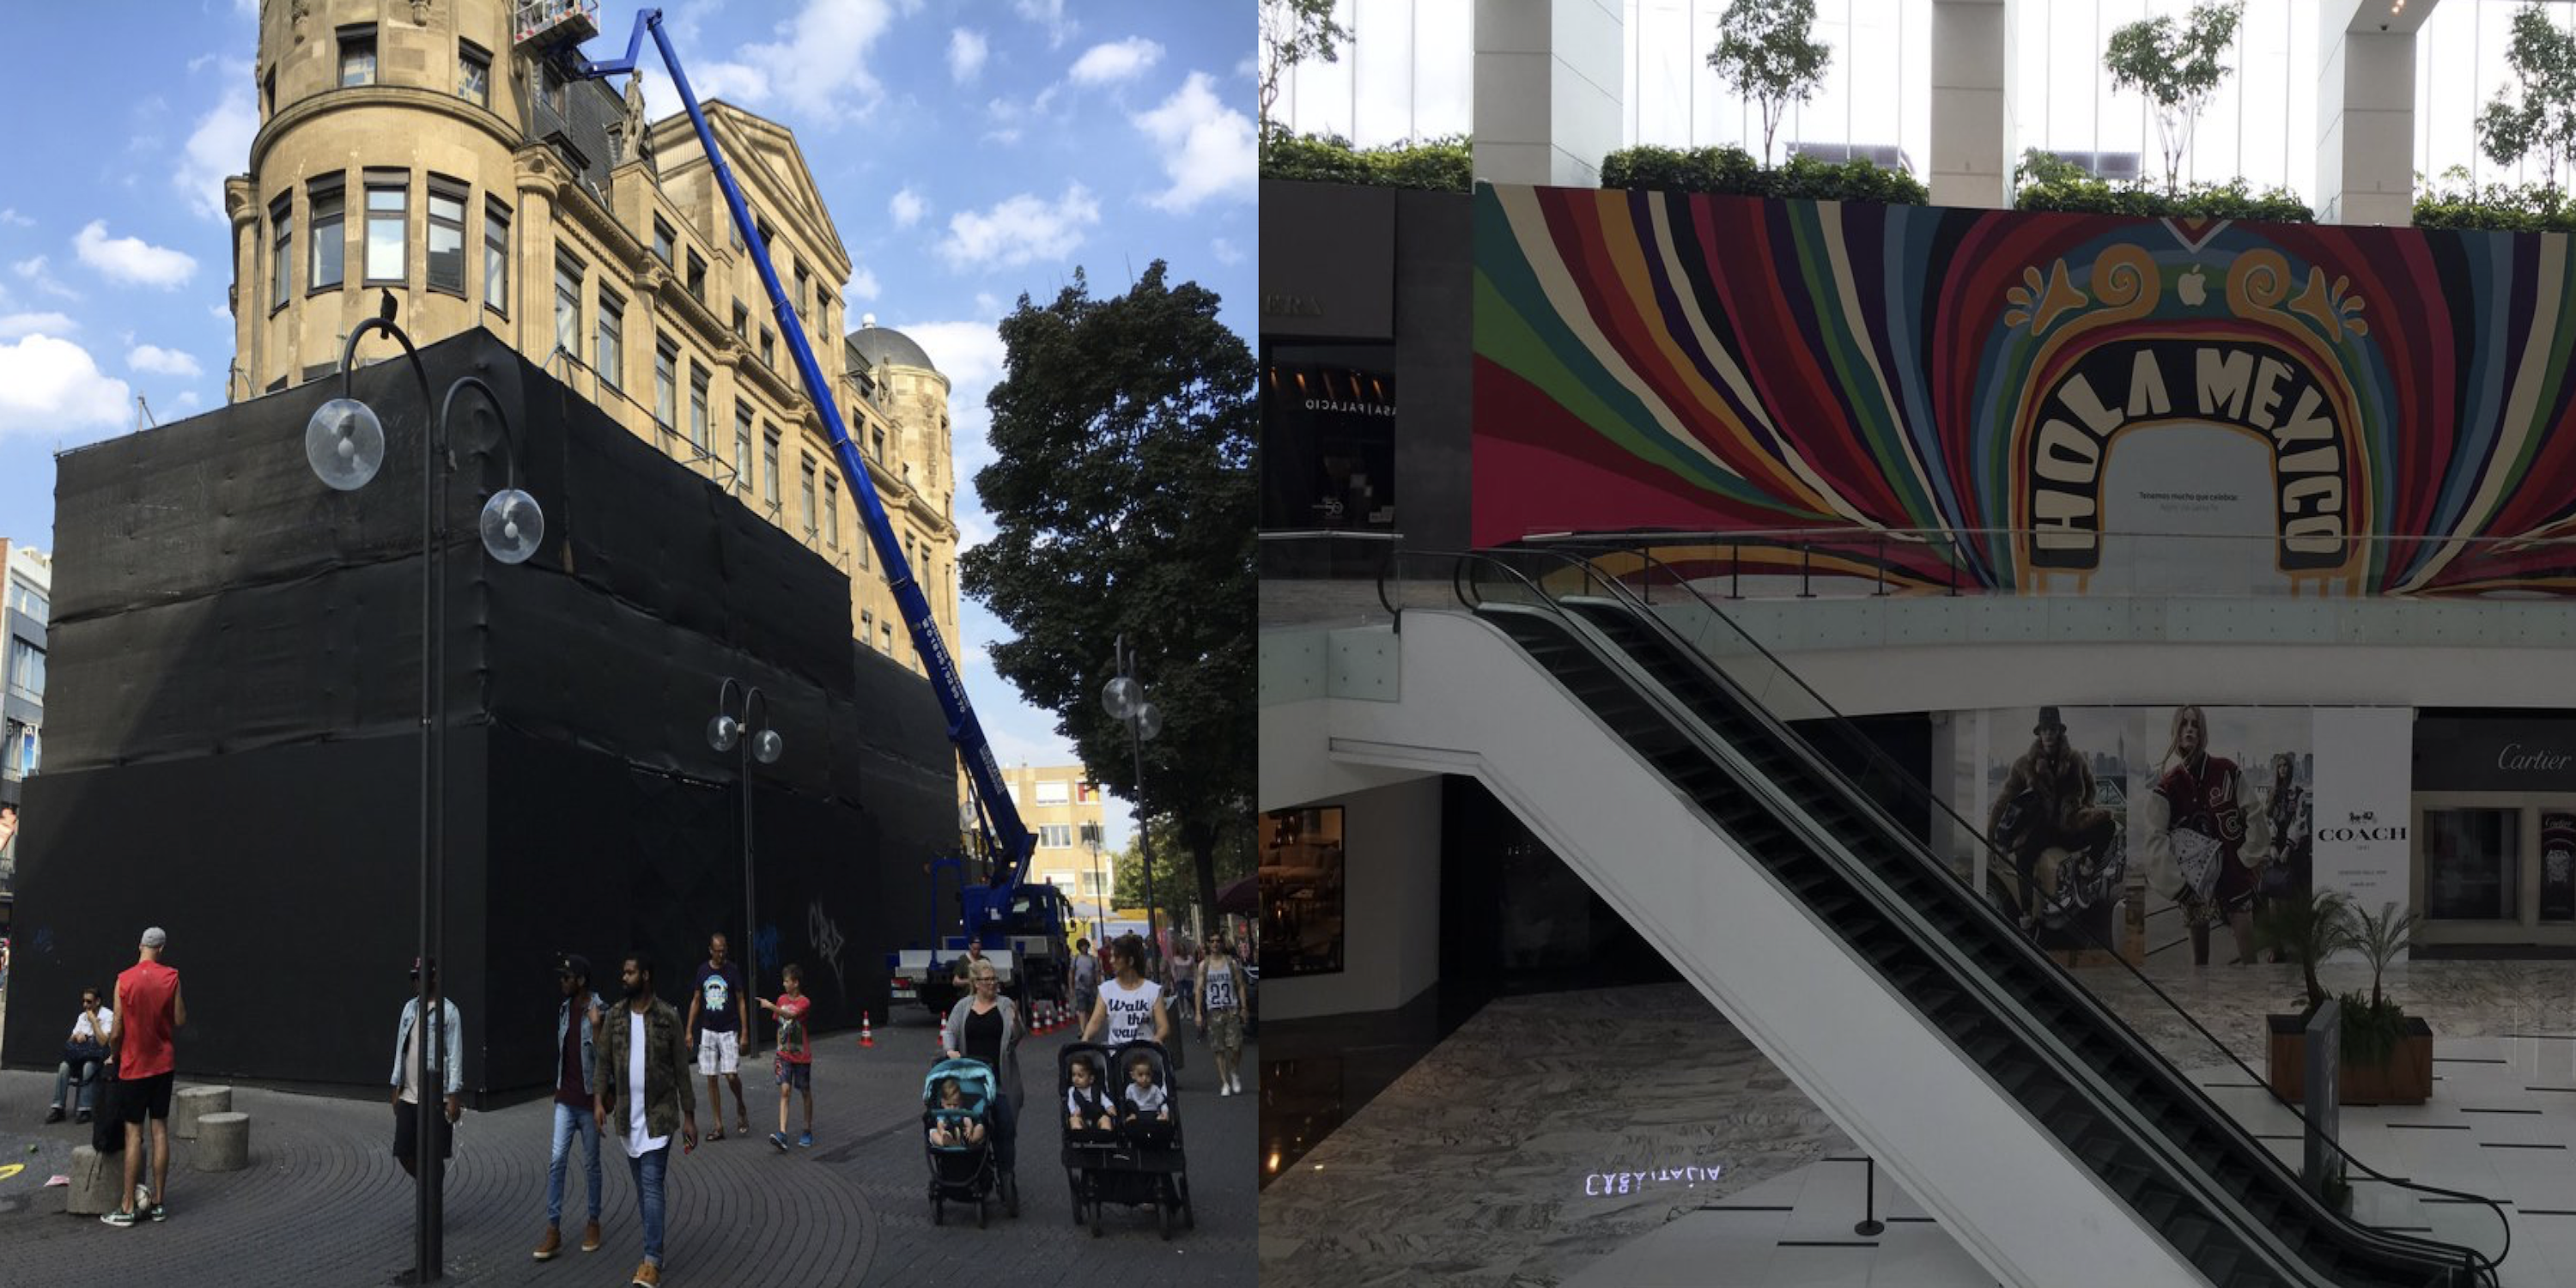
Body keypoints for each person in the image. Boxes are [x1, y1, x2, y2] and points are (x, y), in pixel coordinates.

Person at [594, 950, 696, 1288]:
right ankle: (655, 1247)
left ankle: (652, 1259)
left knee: (652, 1184)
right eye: (623, 972)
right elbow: (603, 1062)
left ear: (646, 976)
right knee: (641, 1187)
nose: (624, 977)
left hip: (659, 1116)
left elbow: (682, 1070)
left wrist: (690, 1117)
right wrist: (598, 1101)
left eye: (630, 972)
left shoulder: (668, 1016)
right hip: (627, 1115)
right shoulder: (616, 1015)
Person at [2143, 705, 2273, 967]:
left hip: (2234, 877)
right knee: (2199, 963)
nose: (2189, 728)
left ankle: (2255, 1004)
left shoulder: (2226, 770)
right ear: (2175, 731)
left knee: (2249, 960)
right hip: (2194, 885)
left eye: (2195, 724)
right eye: (2184, 724)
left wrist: (2247, 858)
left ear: (2202, 732)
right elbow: (2154, 841)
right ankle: (2201, 1007)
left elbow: (2256, 813)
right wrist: (2179, 888)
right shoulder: (2168, 786)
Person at [1986, 707, 2119, 930]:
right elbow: (2003, 799)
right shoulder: (2024, 764)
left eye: (2053, 729)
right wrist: (1991, 835)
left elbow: (2091, 786)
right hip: (2042, 828)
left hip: (2070, 824)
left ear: (2059, 731)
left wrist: (2085, 809)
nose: (2048, 734)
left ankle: (2088, 869)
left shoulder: (2075, 759)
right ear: (2039, 733)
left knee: (2108, 825)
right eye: (2044, 729)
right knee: (2024, 858)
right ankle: (2026, 915)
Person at [101, 926, 184, 1227]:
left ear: (140, 946)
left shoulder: (124, 979)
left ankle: (126, 1206)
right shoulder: (172, 976)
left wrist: (115, 1053)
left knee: (132, 1134)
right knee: (159, 1130)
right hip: (163, 1064)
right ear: (161, 948)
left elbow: (118, 1030)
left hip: (134, 1066)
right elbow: (179, 1019)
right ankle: (159, 1203)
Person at [535, 953, 605, 1261]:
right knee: (556, 1160)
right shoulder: (564, 1010)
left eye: (567, 977)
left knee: (591, 1165)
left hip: (590, 1102)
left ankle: (593, 1222)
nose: (562, 982)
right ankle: (553, 1229)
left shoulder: (600, 1010)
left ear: (581, 981)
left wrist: (597, 1028)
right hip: (565, 1098)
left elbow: (607, 1059)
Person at [942, 958, 1024, 1178]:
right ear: (976, 983)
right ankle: (973, 1169)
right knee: (970, 1124)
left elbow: (1016, 1038)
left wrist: (1016, 1022)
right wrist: (950, 1050)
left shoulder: (1005, 1004)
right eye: (987, 980)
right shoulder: (963, 1006)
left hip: (999, 1079)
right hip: (970, 1080)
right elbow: (949, 1032)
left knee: (1005, 1127)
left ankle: (1007, 1173)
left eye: (994, 979)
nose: (992, 984)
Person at [390, 957, 464, 1183]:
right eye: (414, 977)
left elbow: (455, 1056)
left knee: (433, 1155)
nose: (416, 982)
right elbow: (400, 1048)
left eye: (420, 977)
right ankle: (429, 1188)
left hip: (435, 1098)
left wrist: (453, 1096)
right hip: (409, 1096)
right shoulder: (409, 1009)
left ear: (433, 977)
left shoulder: (449, 1012)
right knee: (403, 1152)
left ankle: (432, 1204)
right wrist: (395, 1086)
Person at [683, 932, 752, 1141]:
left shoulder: (732, 971)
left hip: (729, 1029)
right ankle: (718, 1126)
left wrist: (745, 1032)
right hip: (708, 1030)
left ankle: (740, 1104)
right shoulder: (702, 971)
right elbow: (696, 999)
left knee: (730, 1075)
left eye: (724, 951)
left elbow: (741, 1000)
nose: (721, 955)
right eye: (718, 951)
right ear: (710, 950)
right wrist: (688, 1030)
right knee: (711, 1077)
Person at [1084, 933, 1173, 1048]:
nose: (1111, 961)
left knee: (1141, 1067)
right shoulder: (1106, 990)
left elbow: (1164, 1026)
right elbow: (1095, 1021)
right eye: (1111, 956)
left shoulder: (1152, 990)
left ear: (1130, 961)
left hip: (1144, 1052)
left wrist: (1157, 1038)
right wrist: (1085, 1040)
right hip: (1116, 1052)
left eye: (1115, 957)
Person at [759, 963, 815, 1151]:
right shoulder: (781, 999)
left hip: (801, 1056)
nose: (784, 984)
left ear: (796, 983)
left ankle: (807, 1130)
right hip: (784, 1056)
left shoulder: (804, 1002)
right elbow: (779, 1024)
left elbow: (790, 1016)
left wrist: (770, 1006)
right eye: (784, 980)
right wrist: (778, 1048)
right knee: (785, 1091)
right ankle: (782, 1133)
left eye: (787, 981)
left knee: (805, 1091)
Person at [49, 985, 113, 1123]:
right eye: (84, 1001)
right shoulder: (82, 1017)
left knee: (88, 1067)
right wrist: (77, 1036)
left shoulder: (108, 1016)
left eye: (89, 1002)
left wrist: (94, 1022)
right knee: (63, 1067)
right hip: (80, 1055)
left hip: (97, 1057)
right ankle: (58, 1107)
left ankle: (85, 1109)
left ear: (98, 1002)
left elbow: (103, 1042)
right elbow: (69, 1042)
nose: (85, 1005)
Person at [1198, 935, 1249, 1097]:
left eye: (1218, 941)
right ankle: (1224, 1082)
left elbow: (1240, 985)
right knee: (1218, 1048)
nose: (1215, 944)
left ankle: (1234, 1072)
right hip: (1214, 1010)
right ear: (1208, 944)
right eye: (1211, 941)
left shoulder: (1231, 963)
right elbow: (1199, 989)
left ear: (1222, 943)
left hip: (1231, 1008)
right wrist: (1198, 1013)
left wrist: (1244, 1007)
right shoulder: (1204, 965)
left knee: (1236, 1046)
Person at [927, 1078, 985, 1147]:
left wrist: (970, 1129)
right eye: (948, 1105)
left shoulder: (963, 1111)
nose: (952, 1108)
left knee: (981, 1128)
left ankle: (969, 1141)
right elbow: (940, 1124)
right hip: (949, 1134)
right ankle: (948, 1143)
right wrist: (942, 1132)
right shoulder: (942, 1113)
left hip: (964, 1134)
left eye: (955, 1105)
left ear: (960, 1102)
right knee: (933, 1133)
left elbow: (967, 1121)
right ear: (942, 1103)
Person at [1064, 1056, 1116, 1132]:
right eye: (1073, 1075)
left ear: (1091, 1079)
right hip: (1081, 1116)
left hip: (1097, 1116)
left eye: (1080, 1076)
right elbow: (1070, 1103)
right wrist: (1073, 1111)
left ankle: (1105, 1132)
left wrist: (1109, 1106)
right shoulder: (1072, 1091)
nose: (1076, 1079)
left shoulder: (1096, 1089)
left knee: (1105, 1119)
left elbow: (1104, 1099)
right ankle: (1079, 1132)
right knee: (1074, 1120)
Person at [1120, 1054, 1170, 1126]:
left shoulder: (1155, 1089)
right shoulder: (1130, 1089)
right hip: (1137, 1114)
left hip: (1152, 1113)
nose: (1145, 1078)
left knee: (1162, 1120)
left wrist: (1165, 1113)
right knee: (1130, 1121)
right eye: (1140, 1075)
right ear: (1133, 1076)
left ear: (1152, 1074)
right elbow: (1128, 1103)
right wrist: (1131, 1113)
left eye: (1148, 1074)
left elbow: (1162, 1103)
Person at [1069, 936, 1100, 1021]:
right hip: (1080, 988)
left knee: (1090, 1009)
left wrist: (1099, 987)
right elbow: (1071, 973)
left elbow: (1097, 973)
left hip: (1091, 987)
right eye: (1083, 946)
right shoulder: (1075, 959)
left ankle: (1089, 1026)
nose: (1085, 948)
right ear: (1079, 948)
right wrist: (1071, 987)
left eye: (1086, 946)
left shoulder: (1093, 959)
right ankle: (1083, 1031)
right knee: (1082, 1009)